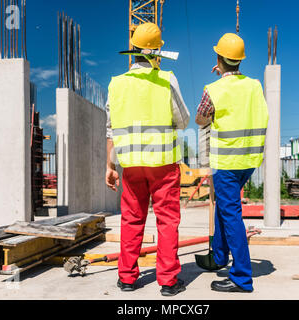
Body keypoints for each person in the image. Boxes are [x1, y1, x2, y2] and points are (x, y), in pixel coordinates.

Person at [105, 23, 190, 297]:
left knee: (131, 219)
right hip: (163, 163)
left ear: (132, 52)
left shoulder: (116, 84)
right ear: (157, 53)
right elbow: (183, 120)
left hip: (130, 164)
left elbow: (111, 129)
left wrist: (109, 165)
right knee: (166, 220)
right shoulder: (167, 79)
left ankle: (127, 278)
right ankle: (167, 281)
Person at [195, 33, 269, 293]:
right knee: (224, 208)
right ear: (240, 61)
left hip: (226, 162)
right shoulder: (255, 85)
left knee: (230, 214)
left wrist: (217, 91)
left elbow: (200, 119)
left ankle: (242, 278)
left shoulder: (213, 90)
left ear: (218, 59)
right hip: (249, 160)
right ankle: (218, 256)